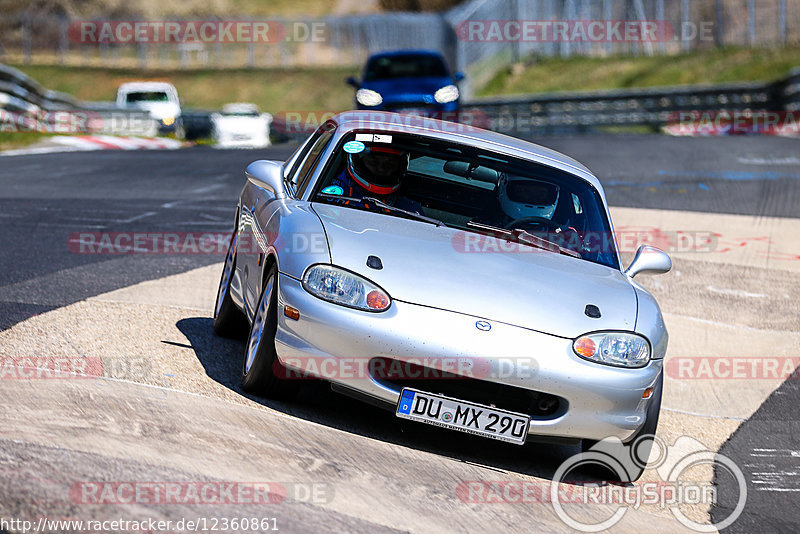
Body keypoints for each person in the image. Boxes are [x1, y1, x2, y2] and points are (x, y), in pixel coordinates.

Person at [328, 145, 424, 214]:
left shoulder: (411, 209)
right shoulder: (331, 195)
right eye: (373, 162)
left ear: (399, 167)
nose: (381, 169)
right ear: (359, 162)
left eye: (389, 165)